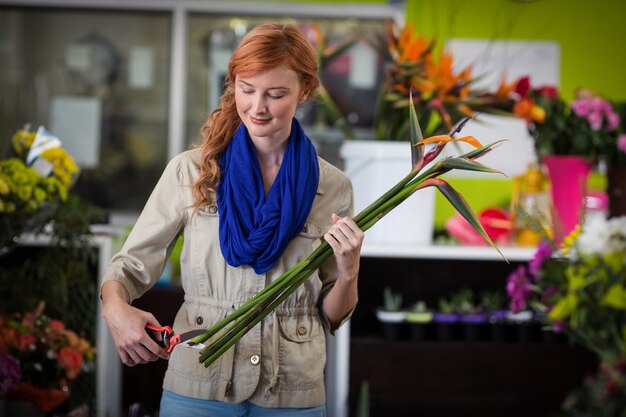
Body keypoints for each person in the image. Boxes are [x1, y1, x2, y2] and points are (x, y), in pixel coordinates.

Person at [100, 22, 363, 416]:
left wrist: (348, 271)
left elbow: (332, 312)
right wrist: (115, 308)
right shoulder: (191, 171)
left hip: (292, 391)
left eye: (275, 94)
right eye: (246, 89)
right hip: (199, 383)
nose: (257, 107)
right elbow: (131, 266)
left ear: (304, 92)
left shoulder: (333, 187)